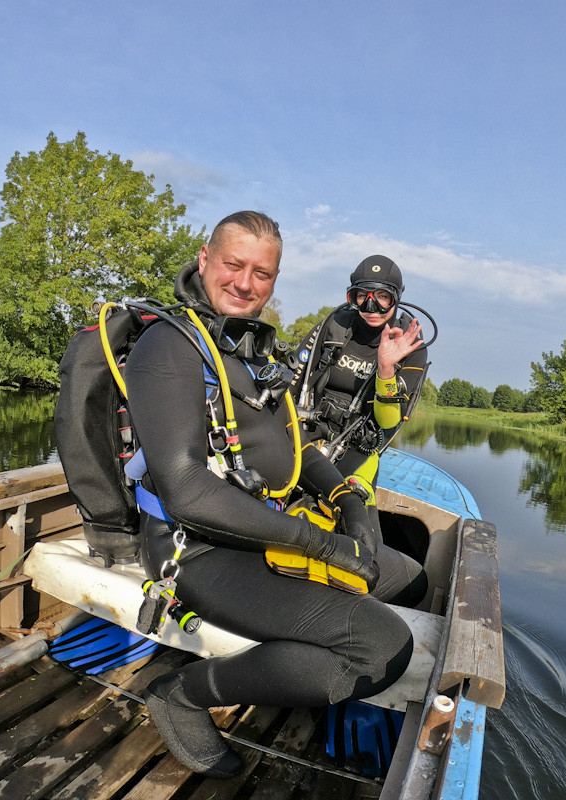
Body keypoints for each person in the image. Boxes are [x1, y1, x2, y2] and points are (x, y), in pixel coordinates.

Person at [124, 212, 426, 777]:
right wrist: (320, 544)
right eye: (233, 265)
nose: (245, 283)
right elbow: (187, 490)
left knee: (411, 577)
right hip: (195, 550)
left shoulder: (250, 350)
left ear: (275, 279)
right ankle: (181, 693)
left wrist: (348, 501)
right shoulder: (170, 347)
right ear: (204, 259)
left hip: (259, 527)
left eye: (262, 273)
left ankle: (306, 664)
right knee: (382, 648)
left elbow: (296, 443)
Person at [292, 255, 431, 539]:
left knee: (364, 543)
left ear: (397, 299)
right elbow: (292, 380)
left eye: (383, 297)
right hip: (304, 438)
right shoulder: (333, 327)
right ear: (351, 297)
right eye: (361, 296)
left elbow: (389, 419)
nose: (371, 307)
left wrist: (386, 368)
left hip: (359, 453)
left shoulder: (411, 347)